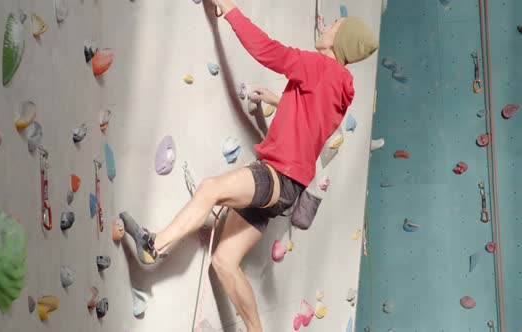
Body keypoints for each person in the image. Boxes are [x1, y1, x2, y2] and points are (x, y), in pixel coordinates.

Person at [120, 0, 378, 330]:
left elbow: (267, 50)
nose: (326, 27)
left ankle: (153, 247)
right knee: (224, 261)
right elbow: (309, 117)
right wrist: (273, 98)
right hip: (287, 191)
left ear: (340, 42)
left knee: (211, 189)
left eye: (333, 27)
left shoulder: (319, 68)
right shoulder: (337, 88)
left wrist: (228, 7)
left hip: (275, 177)